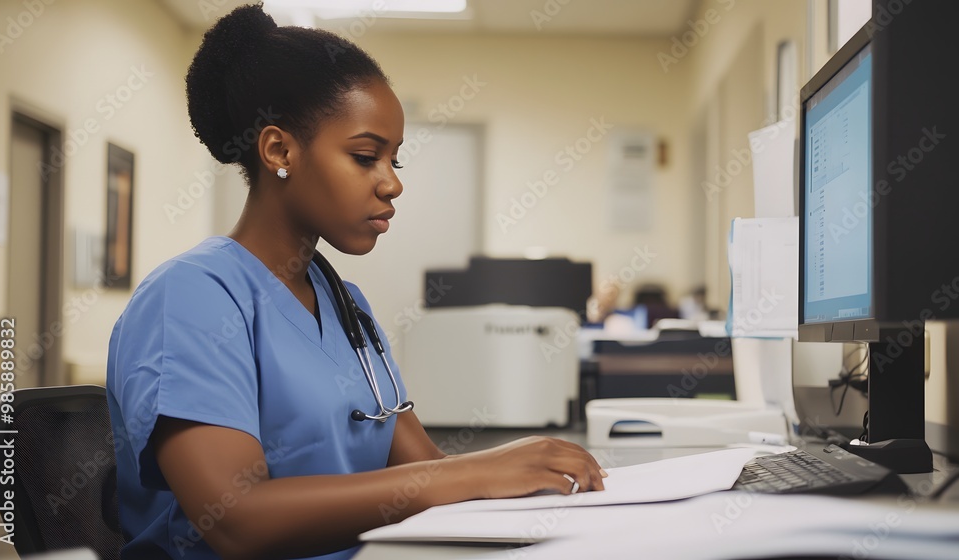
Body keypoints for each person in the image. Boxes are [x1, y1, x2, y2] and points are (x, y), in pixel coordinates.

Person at [105, 4, 606, 559]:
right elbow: (238, 519)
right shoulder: (191, 297)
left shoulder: (346, 305)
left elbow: (426, 472)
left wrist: (521, 471)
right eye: (366, 156)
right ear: (279, 150)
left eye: (395, 160)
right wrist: (478, 472)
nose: (392, 184)